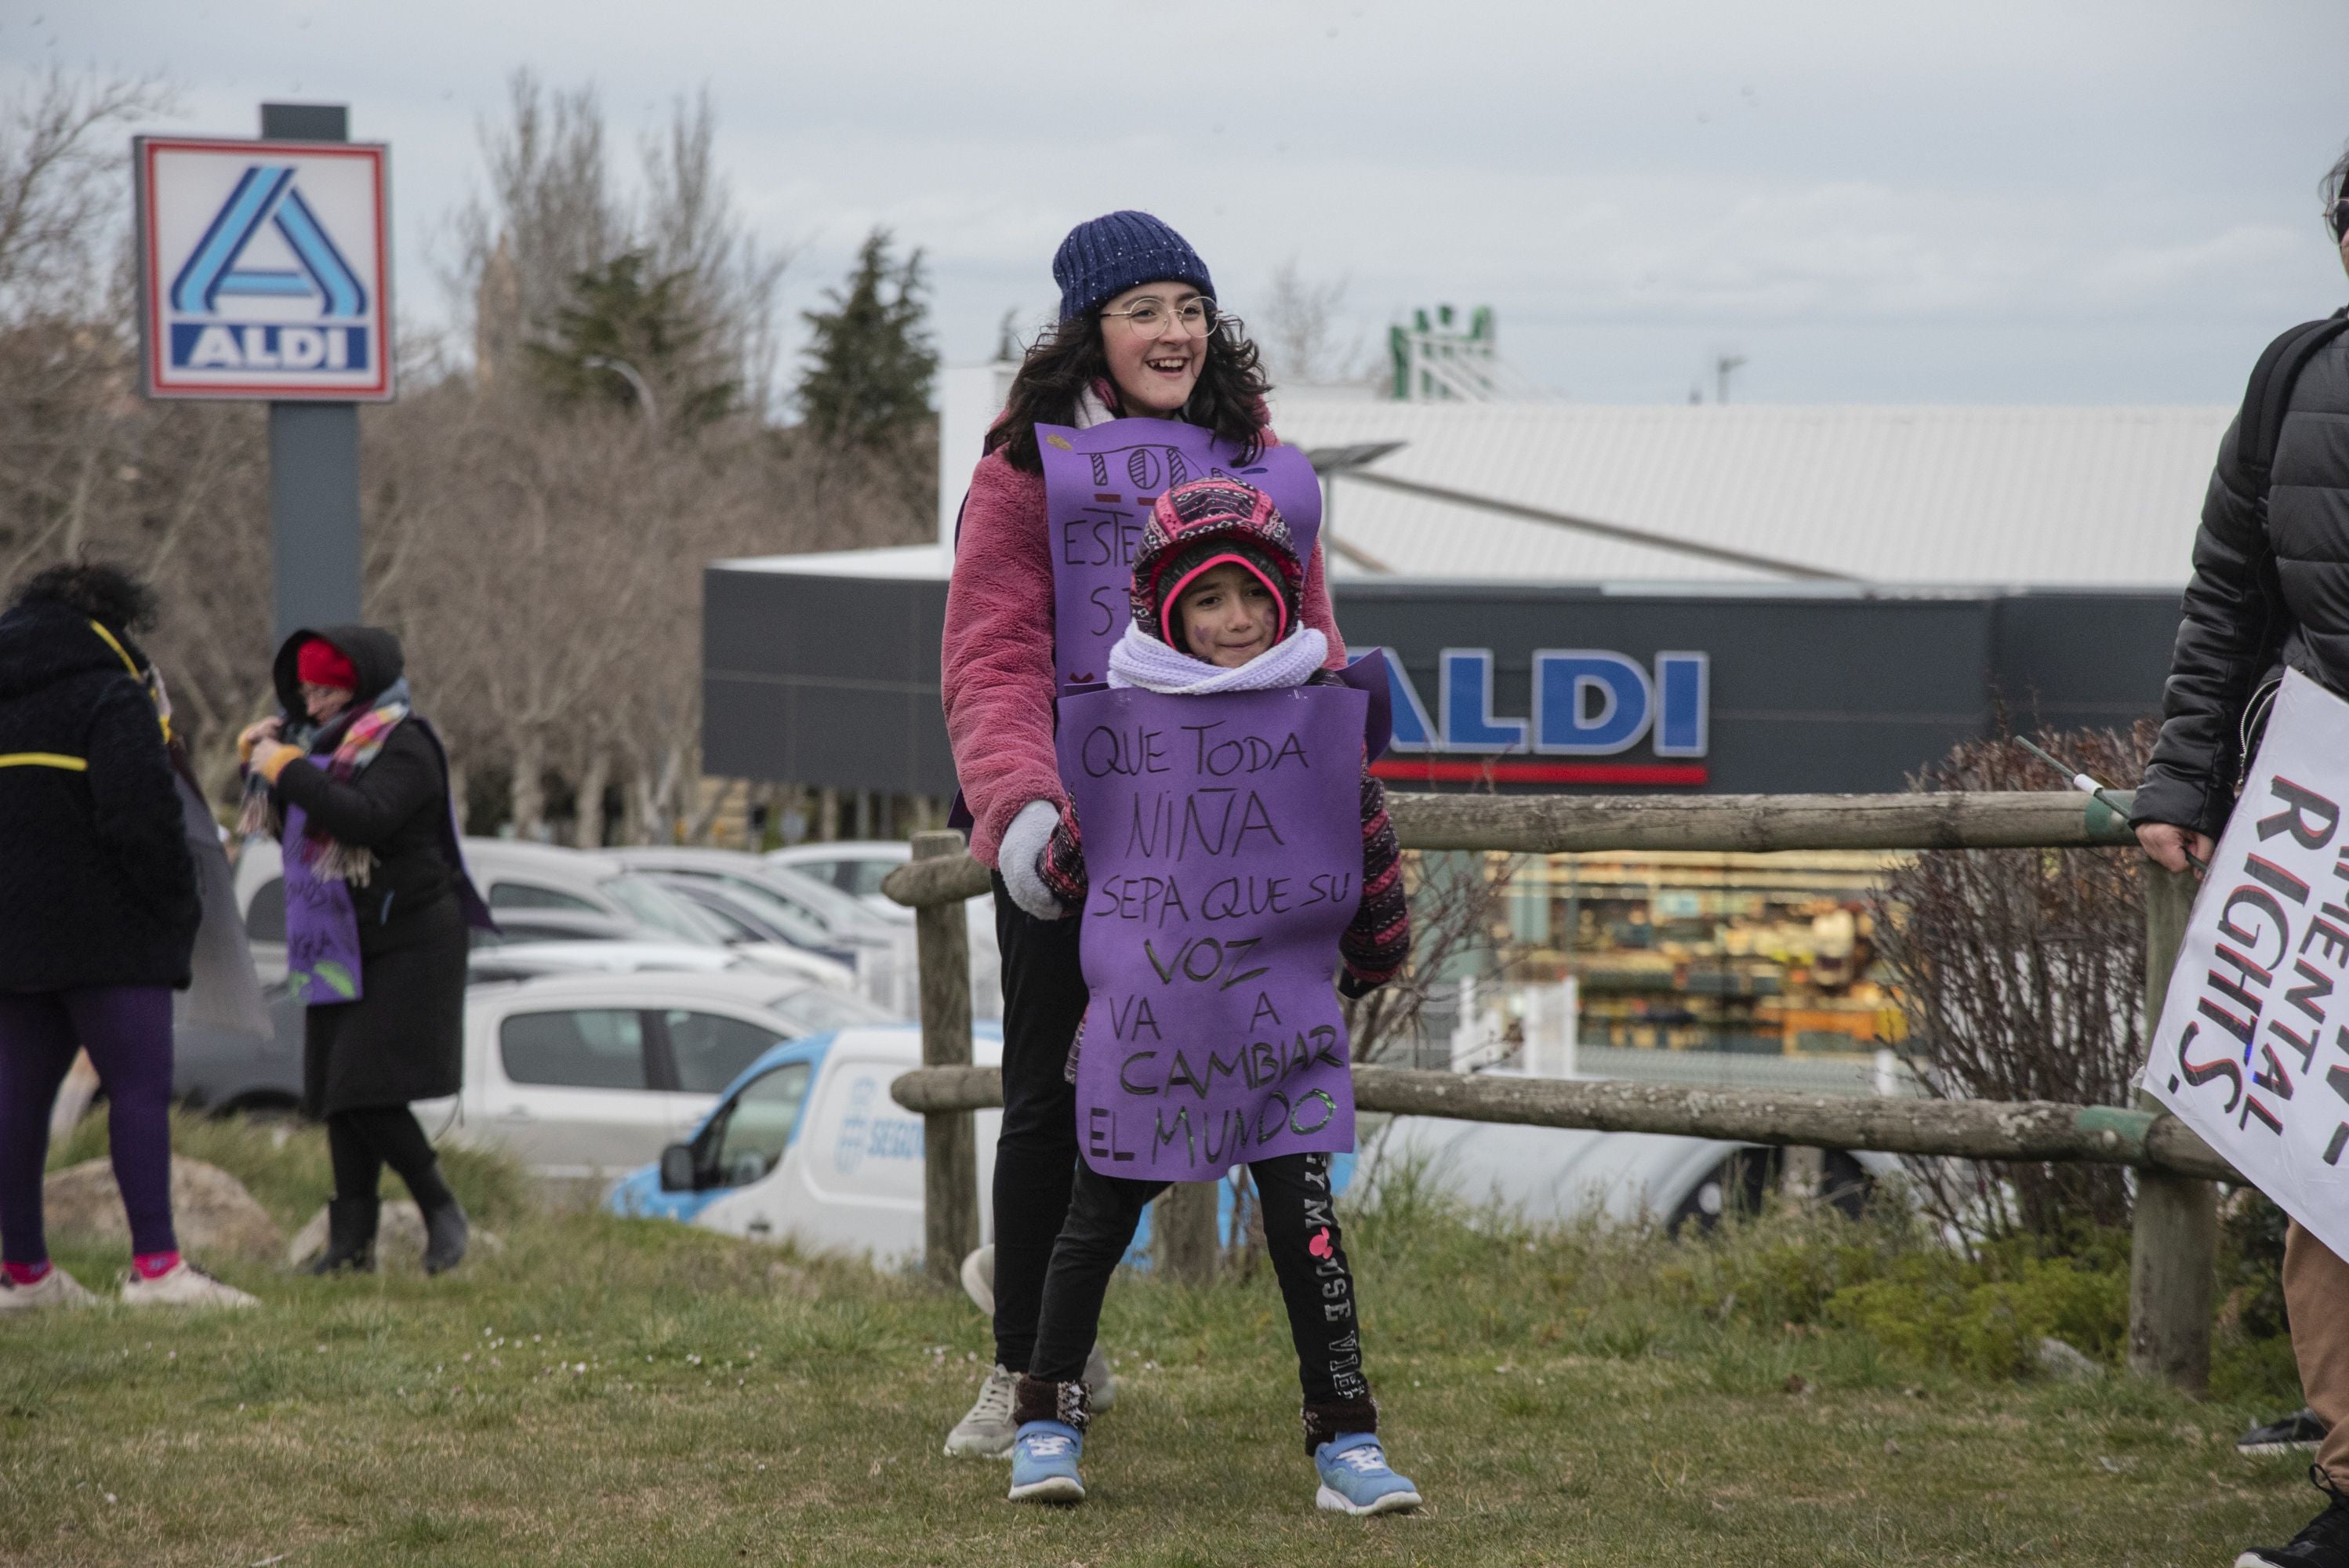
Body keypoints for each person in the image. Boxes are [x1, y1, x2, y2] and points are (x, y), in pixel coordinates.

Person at [938, 210, 1351, 1457]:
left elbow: (1311, 636)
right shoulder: (1027, 469)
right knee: (1050, 1105)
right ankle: (1024, 1370)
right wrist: (1019, 809)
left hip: (1227, 838)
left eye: (1188, 309)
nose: (1172, 333)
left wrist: (1327, 784)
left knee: (1259, 1097)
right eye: (1143, 311)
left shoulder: (1260, 459)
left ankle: (1330, 1401)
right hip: (1073, 837)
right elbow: (993, 653)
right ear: (1092, 332)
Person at [1001, 477, 1415, 1512]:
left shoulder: (1325, 731)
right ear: (1170, 614)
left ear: (1284, 600)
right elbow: (1067, 874)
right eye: (1207, 601)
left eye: (1251, 598)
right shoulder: (1126, 740)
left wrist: (1374, 952)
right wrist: (1055, 837)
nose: (1233, 621)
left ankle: (1346, 1439)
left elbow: (1366, 863)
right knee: (1092, 1229)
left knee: (1306, 1229)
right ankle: (1046, 1418)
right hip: (1143, 1035)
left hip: (1276, 1043)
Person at [2133, 147, 2349, 1568]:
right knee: (2329, 1166)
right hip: (2326, 825)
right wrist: (2182, 774)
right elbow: (2229, 595)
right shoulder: (2293, 378)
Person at [0, 561, 255, 1310]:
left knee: (16, 1099)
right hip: (110, 938)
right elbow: (143, 820)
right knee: (139, 1091)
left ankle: (22, 1273)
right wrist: (176, 910)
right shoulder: (113, 697)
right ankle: (155, 1268)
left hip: (12, 940)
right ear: (112, 624)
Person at [241, 626, 489, 1276]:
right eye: (306, 690)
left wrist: (288, 769)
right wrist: (257, 765)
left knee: (366, 1084)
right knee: (336, 1093)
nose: (313, 702)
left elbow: (364, 817)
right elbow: (285, 819)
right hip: (338, 939)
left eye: (325, 690)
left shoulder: (407, 745)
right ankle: (352, 1247)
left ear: (358, 689)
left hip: (412, 940)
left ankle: (440, 1207)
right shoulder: (315, 746)